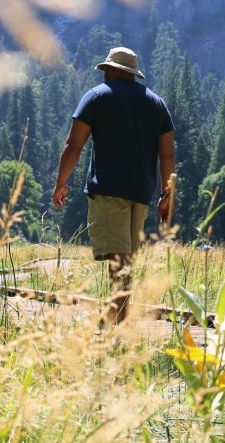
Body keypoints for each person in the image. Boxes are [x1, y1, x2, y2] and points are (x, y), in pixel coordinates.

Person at [52, 46, 175, 325]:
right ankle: (117, 319)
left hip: (109, 190)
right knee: (126, 261)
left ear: (115, 70)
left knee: (118, 262)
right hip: (142, 193)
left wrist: (61, 182)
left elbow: (74, 145)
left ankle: (114, 326)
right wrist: (168, 195)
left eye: (107, 69)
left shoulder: (96, 97)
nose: (104, 74)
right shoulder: (157, 104)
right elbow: (167, 155)